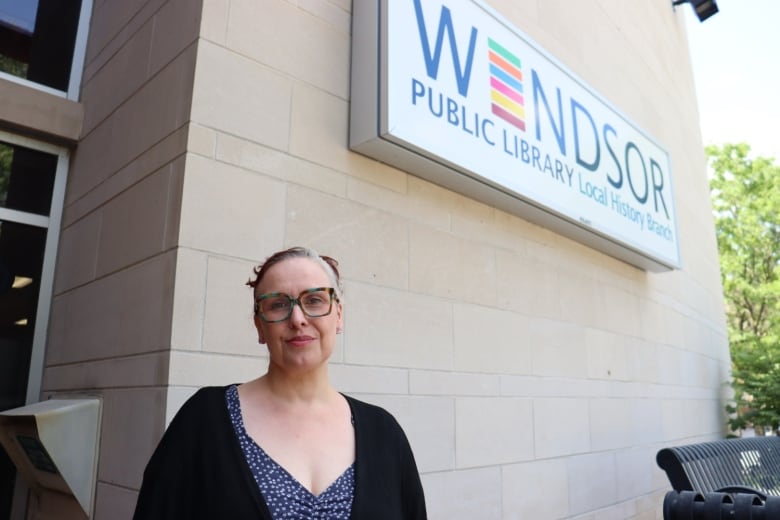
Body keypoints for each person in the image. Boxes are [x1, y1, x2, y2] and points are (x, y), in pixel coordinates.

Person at [133, 246, 427, 519]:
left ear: (338, 315)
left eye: (314, 300)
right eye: (277, 304)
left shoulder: (384, 432)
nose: (297, 318)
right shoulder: (204, 420)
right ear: (259, 325)